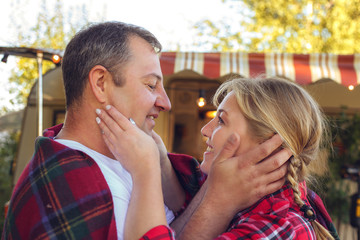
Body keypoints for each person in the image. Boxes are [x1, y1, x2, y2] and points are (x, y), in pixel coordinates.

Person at [2, 22, 290, 240]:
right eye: (151, 85)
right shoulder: (70, 185)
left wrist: (212, 195)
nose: (165, 102)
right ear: (101, 83)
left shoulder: (127, 159)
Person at [96, 77, 340, 239]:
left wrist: (144, 172)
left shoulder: (276, 230)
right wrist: (160, 161)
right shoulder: (255, 204)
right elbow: (188, 206)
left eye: (221, 120)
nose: (205, 130)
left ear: (267, 144)